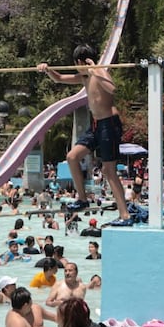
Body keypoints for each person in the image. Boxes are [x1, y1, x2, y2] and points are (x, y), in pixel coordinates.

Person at [38, 44, 133, 226]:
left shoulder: (99, 73)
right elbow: (59, 78)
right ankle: (82, 199)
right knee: (72, 157)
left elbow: (112, 88)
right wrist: (47, 70)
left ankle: (125, 215)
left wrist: (95, 68)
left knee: (109, 171)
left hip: (109, 125)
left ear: (80, 62)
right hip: (96, 125)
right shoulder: (84, 77)